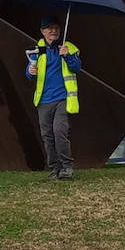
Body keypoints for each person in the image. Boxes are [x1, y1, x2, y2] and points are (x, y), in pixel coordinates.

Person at [26, 13, 82, 180]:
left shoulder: (68, 47)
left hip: (62, 99)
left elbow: (77, 67)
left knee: (59, 131)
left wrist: (67, 55)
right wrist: (30, 71)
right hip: (43, 100)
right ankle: (54, 169)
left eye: (56, 28)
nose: (54, 31)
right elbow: (30, 73)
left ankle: (67, 166)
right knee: (47, 136)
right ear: (43, 31)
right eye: (50, 28)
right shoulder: (38, 50)